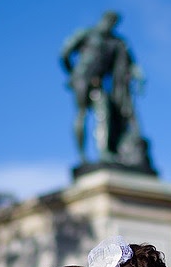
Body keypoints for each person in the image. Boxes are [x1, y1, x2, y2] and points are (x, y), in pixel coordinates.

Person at [60, 11, 152, 171]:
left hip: (98, 83)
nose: (109, 24)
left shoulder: (116, 42)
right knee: (82, 114)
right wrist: (73, 74)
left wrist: (138, 74)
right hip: (82, 79)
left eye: (113, 22)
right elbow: (65, 53)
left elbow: (129, 62)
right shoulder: (87, 33)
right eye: (108, 20)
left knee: (104, 112)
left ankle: (104, 152)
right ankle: (82, 156)